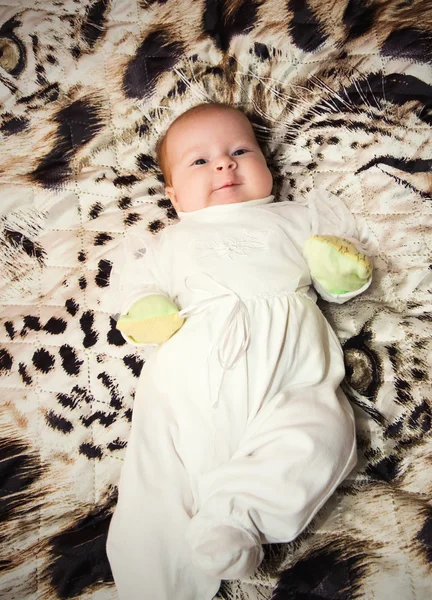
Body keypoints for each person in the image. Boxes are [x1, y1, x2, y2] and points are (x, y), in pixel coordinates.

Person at [106, 102, 372, 600]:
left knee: (322, 436)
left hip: (288, 379)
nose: (225, 164)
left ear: (267, 167)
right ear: (173, 194)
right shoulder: (168, 242)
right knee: (156, 474)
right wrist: (146, 307)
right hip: (188, 383)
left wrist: (338, 271)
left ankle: (237, 519)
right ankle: (151, 584)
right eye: (200, 161)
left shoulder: (294, 220)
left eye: (240, 150)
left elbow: (335, 276)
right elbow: (136, 288)